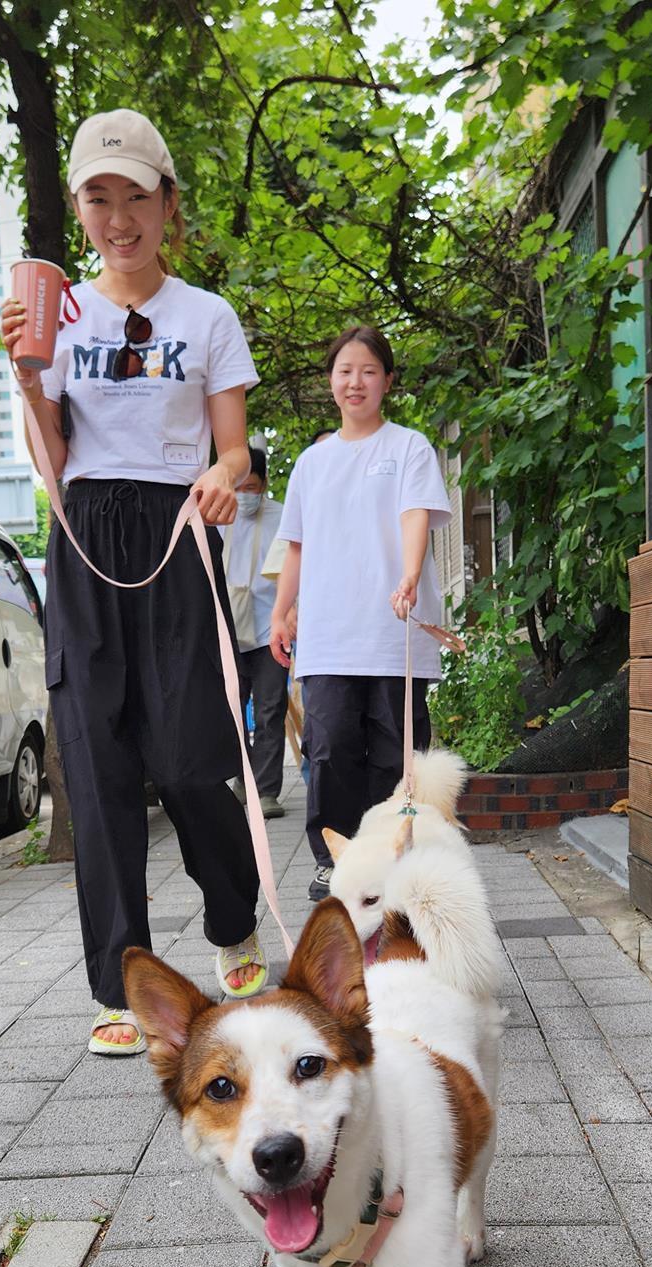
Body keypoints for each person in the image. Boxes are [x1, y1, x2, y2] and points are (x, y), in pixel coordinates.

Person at [1, 108, 267, 1057]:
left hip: (177, 528)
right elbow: (54, 459)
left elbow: (234, 448)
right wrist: (29, 381)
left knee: (192, 753)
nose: (119, 218)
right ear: (81, 211)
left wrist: (222, 479)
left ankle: (232, 917)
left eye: (135, 197)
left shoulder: (206, 317)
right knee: (100, 757)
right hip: (83, 534)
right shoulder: (61, 316)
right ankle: (121, 980)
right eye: (98, 198)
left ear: (166, 205)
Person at [270, 326, 451, 900]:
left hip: (393, 630)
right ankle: (333, 859)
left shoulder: (408, 447)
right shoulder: (311, 463)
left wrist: (409, 574)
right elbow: (295, 544)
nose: (356, 382)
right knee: (329, 749)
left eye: (369, 371)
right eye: (345, 370)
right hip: (328, 633)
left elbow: (414, 514)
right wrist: (281, 612)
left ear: (387, 381)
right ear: (331, 380)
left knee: (395, 747)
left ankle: (393, 855)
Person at [220, 444, 288, 817]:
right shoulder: (216, 516)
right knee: (229, 710)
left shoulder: (282, 517)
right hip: (227, 629)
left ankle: (266, 790)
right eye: (240, 487)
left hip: (269, 628)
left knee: (269, 709)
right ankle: (241, 780)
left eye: (253, 488)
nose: (246, 496)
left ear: (264, 485)